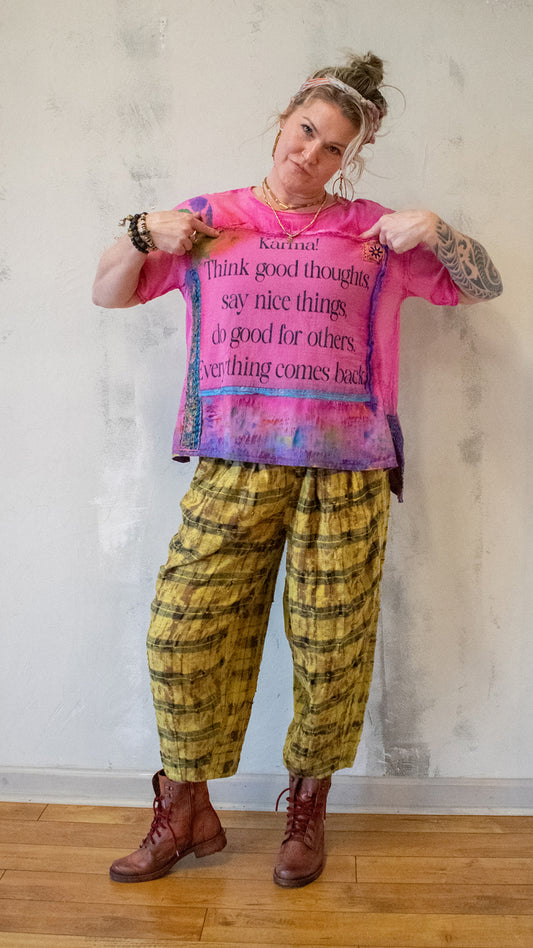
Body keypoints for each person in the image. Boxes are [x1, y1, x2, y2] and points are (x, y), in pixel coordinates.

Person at [92, 51, 502, 889]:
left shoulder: (375, 234)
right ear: (284, 118)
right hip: (230, 464)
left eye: (332, 147)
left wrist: (437, 231)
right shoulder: (207, 220)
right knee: (179, 633)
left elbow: (481, 285)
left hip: (344, 473)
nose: (310, 153)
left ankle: (306, 811)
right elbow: (108, 293)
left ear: (351, 158)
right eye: (306, 130)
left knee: (329, 649)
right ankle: (186, 811)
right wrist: (139, 231)